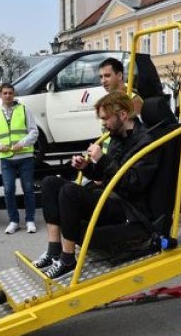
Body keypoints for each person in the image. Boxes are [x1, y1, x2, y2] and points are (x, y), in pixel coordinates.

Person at [32, 91, 160, 279]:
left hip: (128, 207)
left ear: (123, 115)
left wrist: (103, 159)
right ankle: (54, 250)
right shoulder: (118, 137)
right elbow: (106, 174)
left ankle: (68, 260)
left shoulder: (146, 142)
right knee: (50, 183)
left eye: (106, 119)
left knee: (69, 192)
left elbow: (133, 184)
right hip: (110, 195)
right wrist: (88, 167)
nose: (103, 124)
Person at [0, 83, 38, 234]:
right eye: (5, 93)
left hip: (25, 157)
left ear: (14, 94)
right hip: (6, 159)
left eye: (10, 93)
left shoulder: (24, 109)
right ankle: (14, 221)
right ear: (0, 95)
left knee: (28, 189)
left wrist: (22, 144)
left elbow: (34, 132)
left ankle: (30, 220)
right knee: (9, 190)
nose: (8, 95)